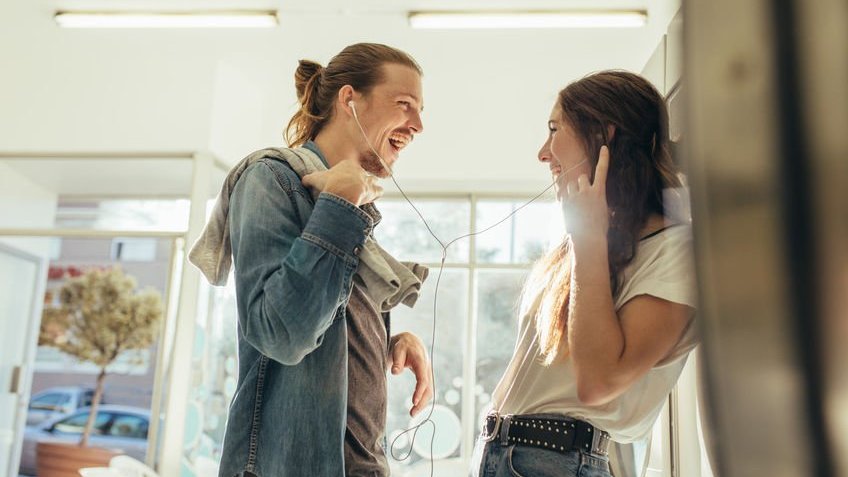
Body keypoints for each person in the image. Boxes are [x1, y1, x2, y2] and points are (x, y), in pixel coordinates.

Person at [189, 43, 434, 477]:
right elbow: (280, 333)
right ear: (349, 100)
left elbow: (326, 322)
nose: (418, 125)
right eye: (405, 106)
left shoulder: (350, 205)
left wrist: (386, 341)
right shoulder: (272, 180)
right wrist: (339, 206)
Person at [472, 70, 698, 477]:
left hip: (554, 460)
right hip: (502, 454)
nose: (543, 153)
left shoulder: (677, 251)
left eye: (554, 129)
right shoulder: (590, 244)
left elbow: (598, 382)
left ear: (604, 135)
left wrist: (588, 240)